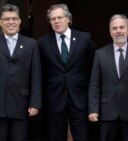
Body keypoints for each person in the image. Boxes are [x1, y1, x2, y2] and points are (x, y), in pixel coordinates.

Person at [0, 4, 42, 141]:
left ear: (19, 21)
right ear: (0, 22)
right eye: (7, 19)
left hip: (22, 106)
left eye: (14, 18)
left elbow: (36, 76)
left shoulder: (31, 44)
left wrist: (35, 103)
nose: (11, 22)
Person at [38, 3, 96, 141]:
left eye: (59, 17)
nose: (56, 21)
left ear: (68, 19)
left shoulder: (84, 39)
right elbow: (41, 72)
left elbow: (93, 68)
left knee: (82, 136)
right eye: (53, 19)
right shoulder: (43, 42)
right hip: (54, 98)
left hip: (80, 97)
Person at [88, 14, 128, 141]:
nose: (118, 31)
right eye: (114, 28)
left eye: (122, 27)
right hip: (107, 112)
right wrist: (93, 109)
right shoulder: (99, 54)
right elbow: (94, 84)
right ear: (110, 31)